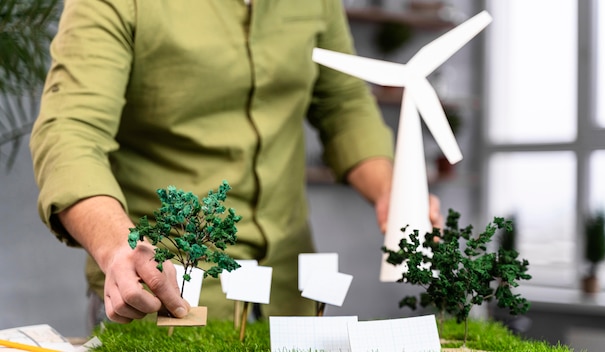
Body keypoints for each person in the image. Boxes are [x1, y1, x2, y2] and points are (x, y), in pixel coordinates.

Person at [30, 0, 443, 328]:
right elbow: (70, 132)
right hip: (166, 294)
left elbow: (343, 104)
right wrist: (117, 245)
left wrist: (391, 190)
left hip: (289, 291)